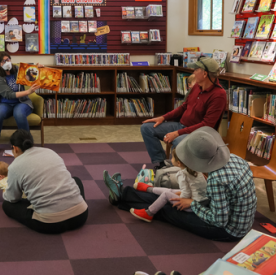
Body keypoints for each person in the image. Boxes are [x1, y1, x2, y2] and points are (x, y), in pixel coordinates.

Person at [106, 127, 257, 241]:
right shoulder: (236, 159)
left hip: (228, 230)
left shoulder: (216, 180)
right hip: (238, 219)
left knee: (167, 209)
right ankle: (125, 194)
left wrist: (192, 204)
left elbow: (219, 221)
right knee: (171, 199)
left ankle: (122, 196)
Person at [140, 57, 227, 168]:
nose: (193, 72)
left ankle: (175, 170)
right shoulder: (196, 86)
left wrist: (177, 133)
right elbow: (184, 107)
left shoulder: (219, 95)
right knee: (146, 128)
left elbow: (207, 125)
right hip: (181, 126)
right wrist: (163, 117)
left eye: (196, 70)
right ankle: (162, 164)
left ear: (205, 74)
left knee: (178, 143)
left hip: (199, 135)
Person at [2, 130, 88, 234]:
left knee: (7, 205)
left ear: (15, 148)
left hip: (50, 224)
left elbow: (12, 198)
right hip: (81, 216)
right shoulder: (49, 151)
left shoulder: (14, 167)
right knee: (76, 180)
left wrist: (5, 192)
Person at [127, 148, 207, 222]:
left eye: (172, 158)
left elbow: (186, 194)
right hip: (202, 202)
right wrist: (182, 193)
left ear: (179, 163)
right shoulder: (197, 170)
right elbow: (195, 189)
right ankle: (149, 189)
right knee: (173, 190)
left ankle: (149, 213)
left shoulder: (182, 174)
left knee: (166, 194)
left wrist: (182, 194)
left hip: (191, 206)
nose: (171, 159)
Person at [0, 52, 41, 154]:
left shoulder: (18, 69)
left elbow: (31, 73)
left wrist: (39, 68)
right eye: (3, 61)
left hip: (22, 102)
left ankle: (27, 142)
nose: (7, 62)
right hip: (5, 103)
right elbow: (8, 95)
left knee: (19, 114)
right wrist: (28, 91)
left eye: (8, 59)